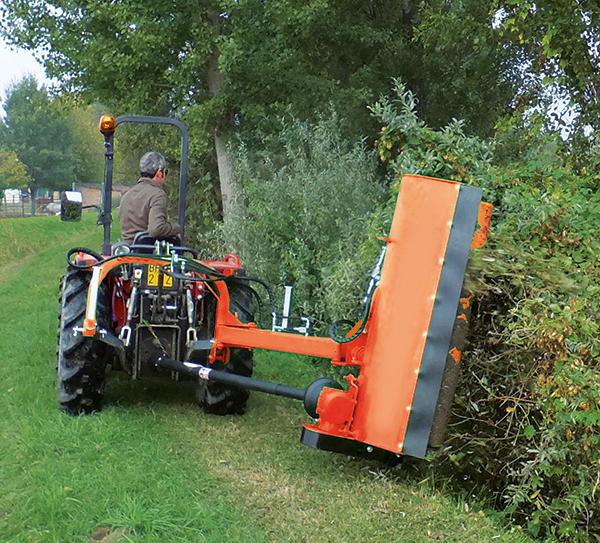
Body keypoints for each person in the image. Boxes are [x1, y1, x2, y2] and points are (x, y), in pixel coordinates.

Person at [119, 151, 181, 244]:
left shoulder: (127, 195)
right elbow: (156, 229)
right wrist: (176, 228)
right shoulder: (157, 194)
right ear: (159, 172)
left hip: (127, 252)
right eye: (165, 172)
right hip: (147, 252)